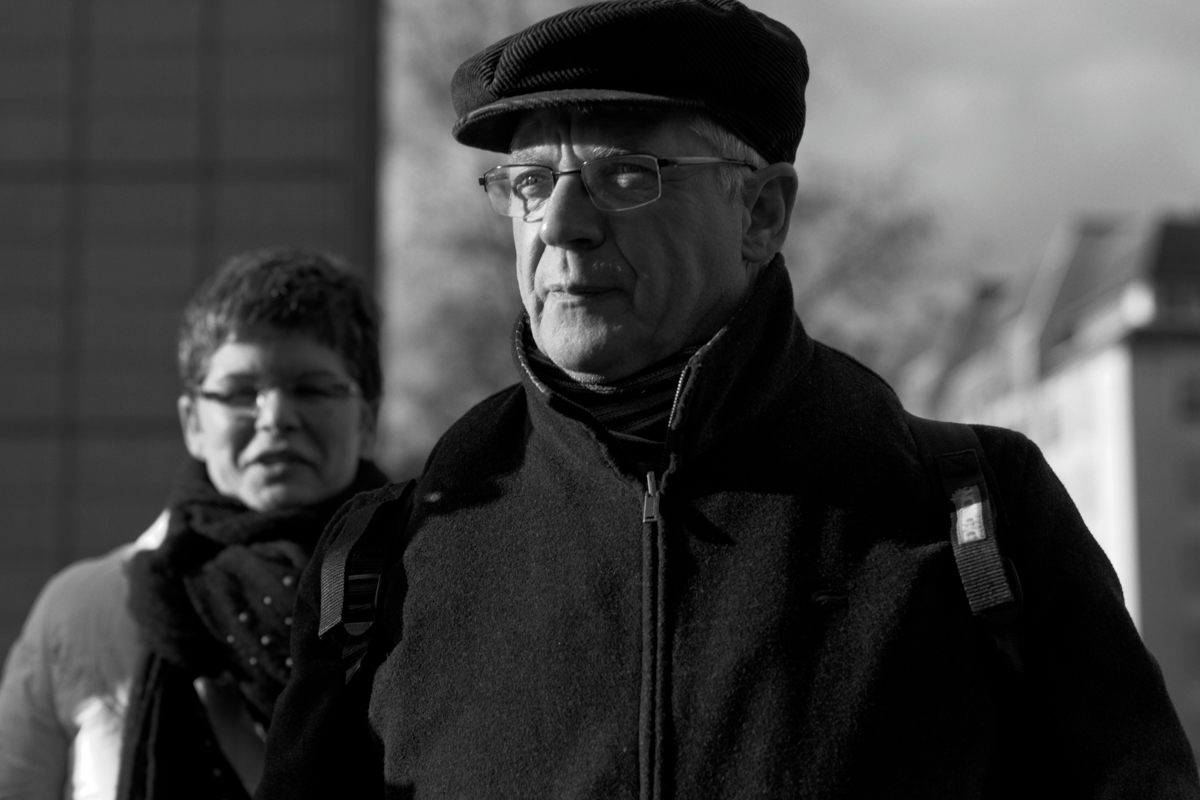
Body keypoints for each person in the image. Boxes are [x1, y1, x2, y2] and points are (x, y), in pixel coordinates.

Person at [258, 1, 1200, 797]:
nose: (561, 225)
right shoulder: (392, 555)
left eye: (625, 175)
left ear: (762, 213)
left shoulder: (976, 511)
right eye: (529, 182)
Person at [0, 247, 389, 800]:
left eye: (311, 387)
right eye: (239, 393)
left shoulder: (430, 595)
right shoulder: (86, 609)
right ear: (193, 423)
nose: (276, 416)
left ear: (367, 420)